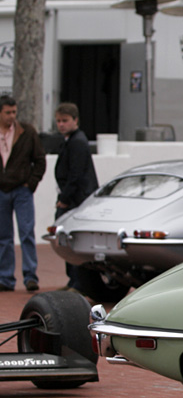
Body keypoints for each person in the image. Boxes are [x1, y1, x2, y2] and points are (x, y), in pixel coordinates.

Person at [0, 94, 46, 292]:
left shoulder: (26, 132)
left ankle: (30, 276)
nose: (12, 116)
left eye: (14, 112)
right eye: (8, 112)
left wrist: (31, 183)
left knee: (26, 232)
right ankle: (5, 277)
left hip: (22, 190)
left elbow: (40, 160)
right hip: (1, 190)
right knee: (4, 236)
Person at [54, 103, 99, 291]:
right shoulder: (70, 141)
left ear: (75, 120)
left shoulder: (78, 142)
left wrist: (64, 198)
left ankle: (78, 283)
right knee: (65, 240)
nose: (61, 125)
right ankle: (72, 280)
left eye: (65, 121)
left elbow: (76, 174)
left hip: (76, 200)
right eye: (58, 121)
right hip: (72, 198)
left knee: (72, 242)